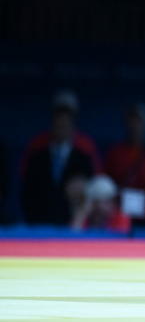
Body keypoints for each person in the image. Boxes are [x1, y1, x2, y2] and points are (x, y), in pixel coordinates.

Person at [20, 90, 100, 225]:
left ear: (73, 126)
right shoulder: (37, 156)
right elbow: (27, 191)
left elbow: (93, 189)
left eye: (65, 124)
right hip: (39, 224)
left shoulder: (83, 156)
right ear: (52, 125)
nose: (62, 127)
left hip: (71, 225)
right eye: (58, 124)